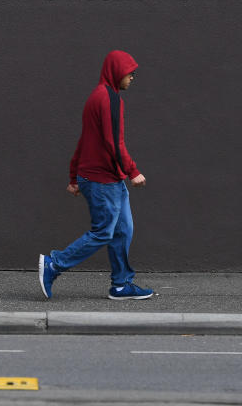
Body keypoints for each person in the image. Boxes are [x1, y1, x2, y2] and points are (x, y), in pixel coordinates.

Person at [38, 50, 154, 300]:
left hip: (107, 178)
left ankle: (121, 285)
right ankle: (54, 264)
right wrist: (133, 171)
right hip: (103, 180)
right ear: (116, 72)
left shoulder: (97, 96)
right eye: (129, 72)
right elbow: (114, 142)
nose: (132, 77)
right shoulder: (109, 99)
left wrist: (73, 176)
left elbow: (86, 140)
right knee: (104, 231)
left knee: (123, 230)